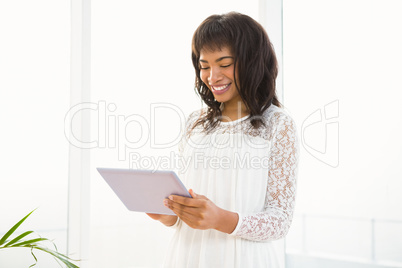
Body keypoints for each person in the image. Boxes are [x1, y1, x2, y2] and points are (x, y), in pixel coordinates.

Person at [147, 11, 300, 268]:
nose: (212, 77)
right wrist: (168, 214)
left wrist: (220, 219)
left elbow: (279, 222)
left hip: (244, 260)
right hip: (187, 257)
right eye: (204, 66)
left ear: (251, 61)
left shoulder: (278, 124)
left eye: (224, 63)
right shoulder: (194, 123)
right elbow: (187, 207)